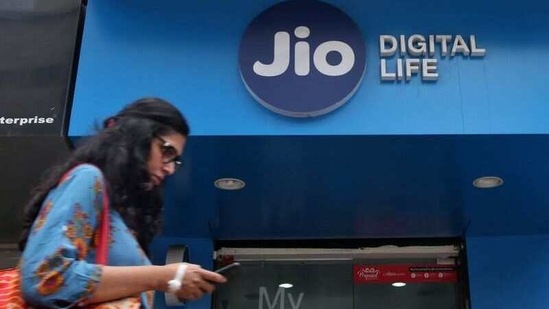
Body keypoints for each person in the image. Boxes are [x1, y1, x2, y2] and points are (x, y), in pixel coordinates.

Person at [18, 97, 226, 308]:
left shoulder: (120, 215)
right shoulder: (88, 178)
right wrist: (162, 276)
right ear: (137, 135)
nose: (170, 169)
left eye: (175, 161)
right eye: (167, 151)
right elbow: (43, 279)